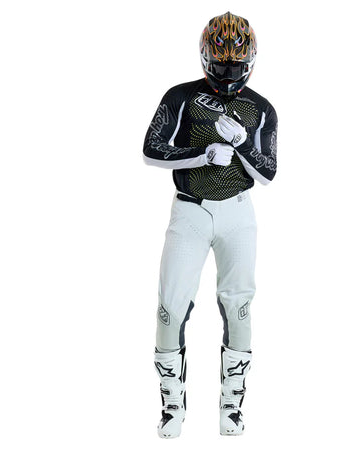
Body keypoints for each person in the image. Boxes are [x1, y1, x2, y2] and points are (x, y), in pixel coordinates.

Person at [143, 11, 278, 438]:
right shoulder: (180, 96)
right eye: (221, 66)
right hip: (190, 209)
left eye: (236, 68)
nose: (228, 75)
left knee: (239, 308)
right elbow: (150, 149)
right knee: (170, 307)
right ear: (206, 58)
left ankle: (232, 406)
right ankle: (172, 405)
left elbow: (269, 172)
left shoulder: (261, 109)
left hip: (238, 211)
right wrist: (201, 156)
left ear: (250, 61)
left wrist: (242, 144)